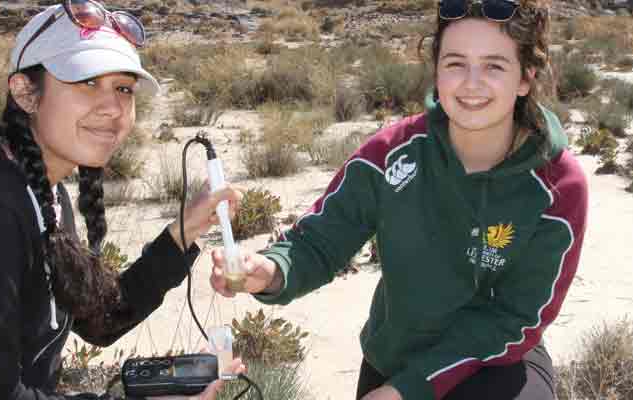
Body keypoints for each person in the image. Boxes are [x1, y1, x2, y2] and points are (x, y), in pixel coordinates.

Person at [0, 2, 243, 399]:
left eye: (123, 88)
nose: (112, 107)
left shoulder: (43, 193)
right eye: (87, 82)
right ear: (25, 93)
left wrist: (185, 230)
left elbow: (101, 317)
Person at [210, 0, 587, 398]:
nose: (471, 83)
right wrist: (271, 270)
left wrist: (409, 390)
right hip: (395, 356)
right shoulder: (391, 154)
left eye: (494, 65)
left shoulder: (558, 185)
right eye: (455, 63)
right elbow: (321, 241)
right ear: (437, 70)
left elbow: (516, 320)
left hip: (493, 358)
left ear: (525, 78)